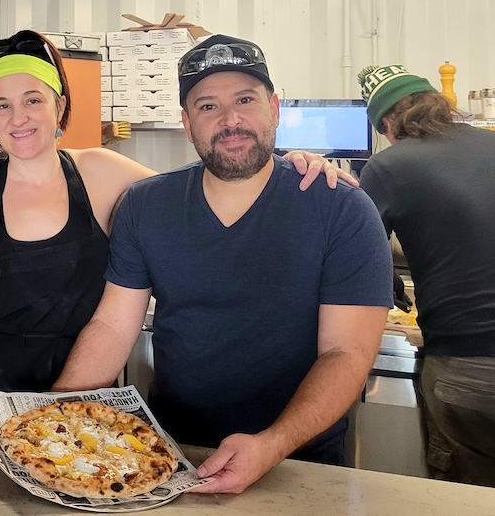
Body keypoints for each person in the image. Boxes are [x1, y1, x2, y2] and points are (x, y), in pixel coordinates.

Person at [0, 30, 357, 424]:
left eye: (33, 100)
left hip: (85, 388)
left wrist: (290, 161)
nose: (19, 118)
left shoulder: (102, 172)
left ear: (59, 107)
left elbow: (205, 186)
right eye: (2, 106)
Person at [52, 34, 393, 495]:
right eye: (207, 106)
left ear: (275, 108)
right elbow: (114, 326)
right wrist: (55, 412)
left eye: (245, 99)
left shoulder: (341, 208)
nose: (231, 120)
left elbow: (346, 353)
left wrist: (271, 444)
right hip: (168, 457)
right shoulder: (147, 206)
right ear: (187, 124)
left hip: (298, 462)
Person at [356, 64, 495, 495]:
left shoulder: (388, 165)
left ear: (388, 125)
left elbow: (360, 255)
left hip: (467, 371)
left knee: (469, 503)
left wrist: (393, 289)